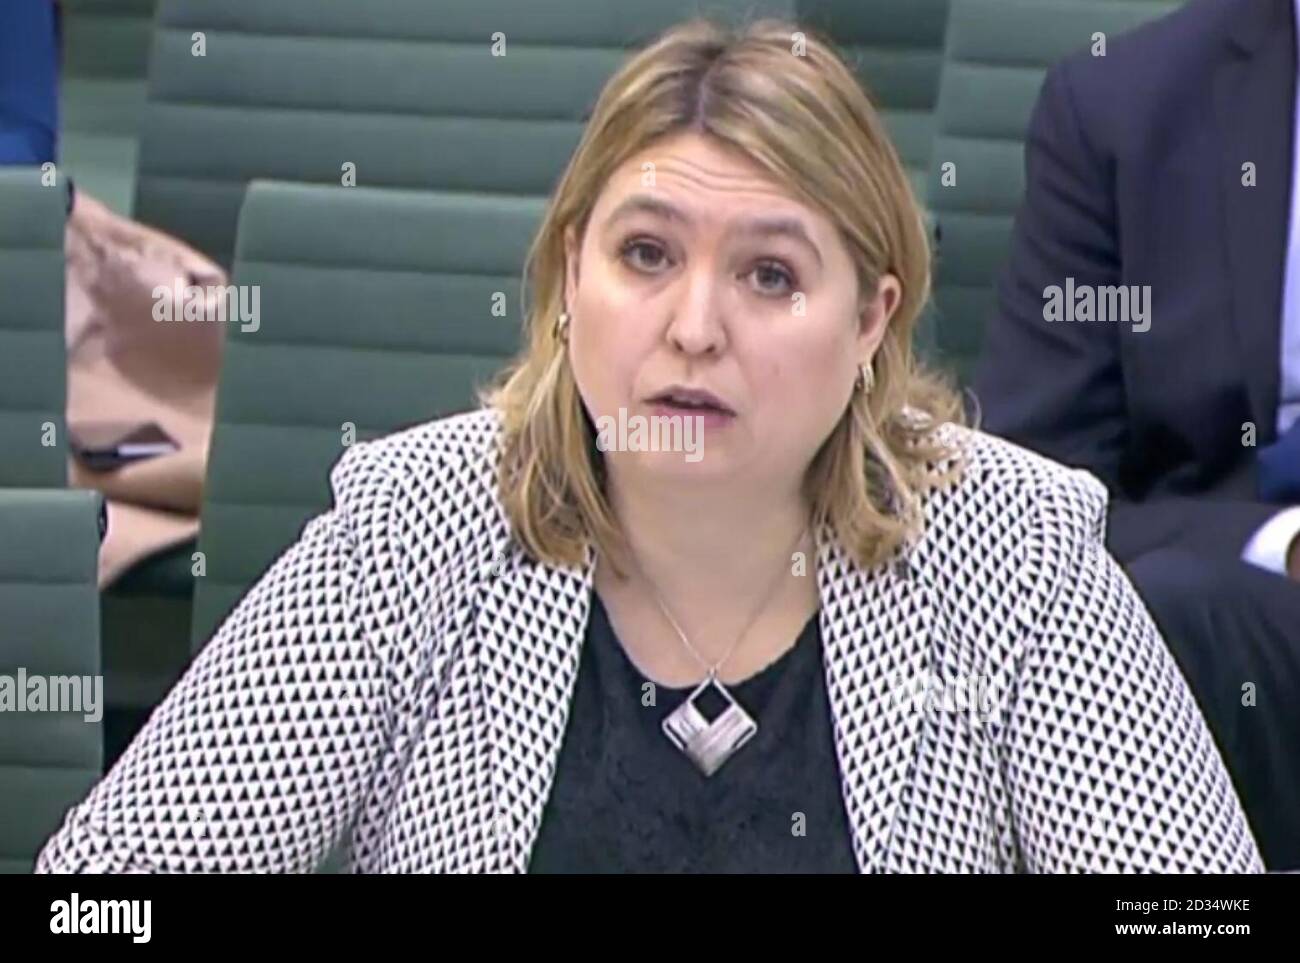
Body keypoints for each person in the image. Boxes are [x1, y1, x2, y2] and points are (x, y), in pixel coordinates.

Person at [35, 17, 1260, 873]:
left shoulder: (1009, 549)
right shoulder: (418, 525)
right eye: (645, 254)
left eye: (770, 276)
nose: (692, 329)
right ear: (570, 276)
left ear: (870, 323)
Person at [973, 0, 1300, 869]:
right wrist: (1285, 543)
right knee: (1168, 613)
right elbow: (1028, 497)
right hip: (1236, 619)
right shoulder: (1121, 107)